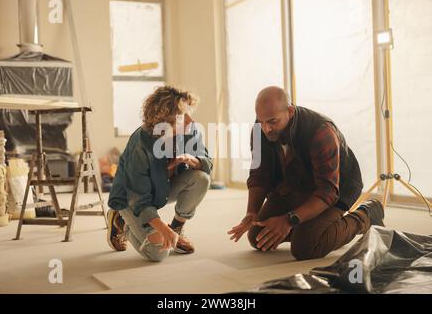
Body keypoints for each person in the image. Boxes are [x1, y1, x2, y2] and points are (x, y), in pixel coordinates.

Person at [228, 86, 384, 260]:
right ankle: (308, 227)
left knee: (305, 248)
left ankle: (366, 216)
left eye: (272, 121)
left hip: (334, 190)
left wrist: (288, 221)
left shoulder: (322, 131)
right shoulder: (260, 130)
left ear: (290, 111)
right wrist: (251, 212)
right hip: (294, 186)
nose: (266, 129)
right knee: (258, 237)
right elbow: (259, 175)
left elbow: (327, 192)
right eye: (261, 121)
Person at [107, 86, 212, 262]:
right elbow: (139, 200)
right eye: (182, 117)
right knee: (158, 253)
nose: (191, 120)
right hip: (131, 200)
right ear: (164, 122)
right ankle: (121, 221)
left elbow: (207, 162)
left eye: (189, 113)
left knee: (201, 178)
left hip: (161, 190)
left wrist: (194, 161)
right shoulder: (140, 146)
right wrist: (162, 229)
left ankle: (176, 228)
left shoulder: (190, 130)